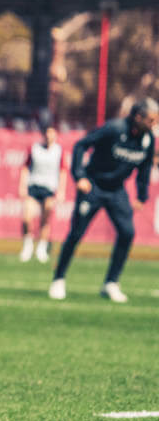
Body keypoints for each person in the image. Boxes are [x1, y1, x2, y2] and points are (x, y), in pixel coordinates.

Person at [47, 99, 158, 302]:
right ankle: (58, 279)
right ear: (138, 117)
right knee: (76, 233)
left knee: (127, 232)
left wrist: (142, 196)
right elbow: (81, 145)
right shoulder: (114, 128)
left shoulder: (148, 139)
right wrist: (80, 176)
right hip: (93, 186)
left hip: (117, 190)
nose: (154, 125)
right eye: (151, 120)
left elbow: (145, 169)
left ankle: (111, 283)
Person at [18, 124, 66, 263]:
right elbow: (25, 167)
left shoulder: (58, 151)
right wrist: (22, 186)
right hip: (34, 186)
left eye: (52, 133)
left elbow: (63, 171)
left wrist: (61, 190)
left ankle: (41, 248)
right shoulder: (35, 149)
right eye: (47, 133)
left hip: (49, 188)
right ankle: (27, 246)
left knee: (45, 219)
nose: (49, 136)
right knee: (27, 217)